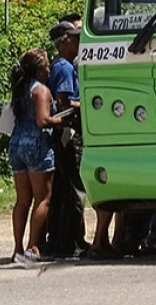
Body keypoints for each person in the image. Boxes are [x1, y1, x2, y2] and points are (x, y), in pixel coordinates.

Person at [8, 48, 64, 264]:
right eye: (47, 65)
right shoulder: (41, 90)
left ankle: (17, 248)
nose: (49, 69)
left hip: (17, 144)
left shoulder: (21, 88)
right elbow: (43, 120)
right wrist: (62, 120)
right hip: (37, 145)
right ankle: (33, 246)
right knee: (43, 199)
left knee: (22, 200)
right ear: (40, 69)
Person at [46, 20, 90, 258]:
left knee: (64, 191)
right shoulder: (64, 67)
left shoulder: (61, 64)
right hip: (67, 134)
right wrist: (85, 103)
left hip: (63, 135)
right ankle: (72, 241)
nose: (79, 41)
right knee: (75, 190)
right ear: (64, 43)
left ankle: (62, 240)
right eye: (74, 37)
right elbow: (63, 102)